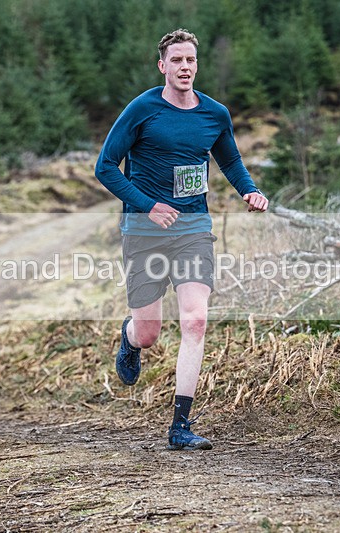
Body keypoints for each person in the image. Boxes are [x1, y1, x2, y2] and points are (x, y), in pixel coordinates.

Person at [95, 29, 268, 450]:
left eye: (190, 60)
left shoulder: (214, 114)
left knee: (194, 320)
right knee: (150, 332)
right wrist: (148, 205)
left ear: (197, 64)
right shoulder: (142, 109)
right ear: (163, 66)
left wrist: (248, 189)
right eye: (177, 61)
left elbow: (229, 158)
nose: (185, 68)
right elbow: (105, 167)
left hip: (193, 229)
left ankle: (180, 426)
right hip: (144, 231)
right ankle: (130, 336)